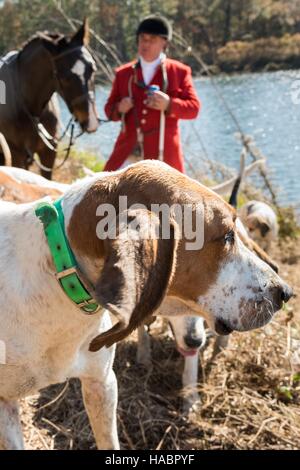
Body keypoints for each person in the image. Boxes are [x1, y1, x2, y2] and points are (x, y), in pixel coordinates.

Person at [104, 15, 200, 173]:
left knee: (166, 198)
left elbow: (194, 109)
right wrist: (120, 108)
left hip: (164, 155)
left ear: (164, 42)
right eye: (142, 38)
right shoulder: (123, 73)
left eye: (152, 39)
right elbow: (109, 110)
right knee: (108, 195)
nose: (146, 44)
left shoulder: (179, 72)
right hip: (127, 154)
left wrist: (169, 104)